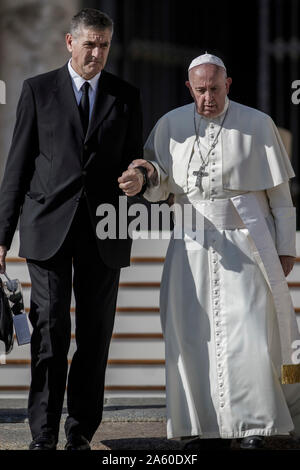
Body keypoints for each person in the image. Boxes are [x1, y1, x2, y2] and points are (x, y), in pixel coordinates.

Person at [118, 53, 300, 450]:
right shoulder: (171, 124)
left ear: (228, 84)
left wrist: (286, 250)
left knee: (249, 335)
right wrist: (140, 177)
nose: (207, 98)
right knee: (192, 335)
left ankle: (255, 426)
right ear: (189, 88)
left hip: (247, 245)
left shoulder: (257, 124)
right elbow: (159, 179)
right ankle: (205, 427)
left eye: (215, 89)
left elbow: (282, 199)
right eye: (200, 90)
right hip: (190, 246)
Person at [0, 8, 144, 450]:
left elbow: (137, 161)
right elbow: (17, 168)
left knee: (96, 337)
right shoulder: (37, 90)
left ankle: (80, 432)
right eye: (89, 45)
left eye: (104, 45)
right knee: (50, 333)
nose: (97, 54)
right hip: (48, 232)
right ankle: (42, 434)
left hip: (106, 232)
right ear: (69, 42)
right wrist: (1, 238)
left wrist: (139, 179)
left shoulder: (126, 95)